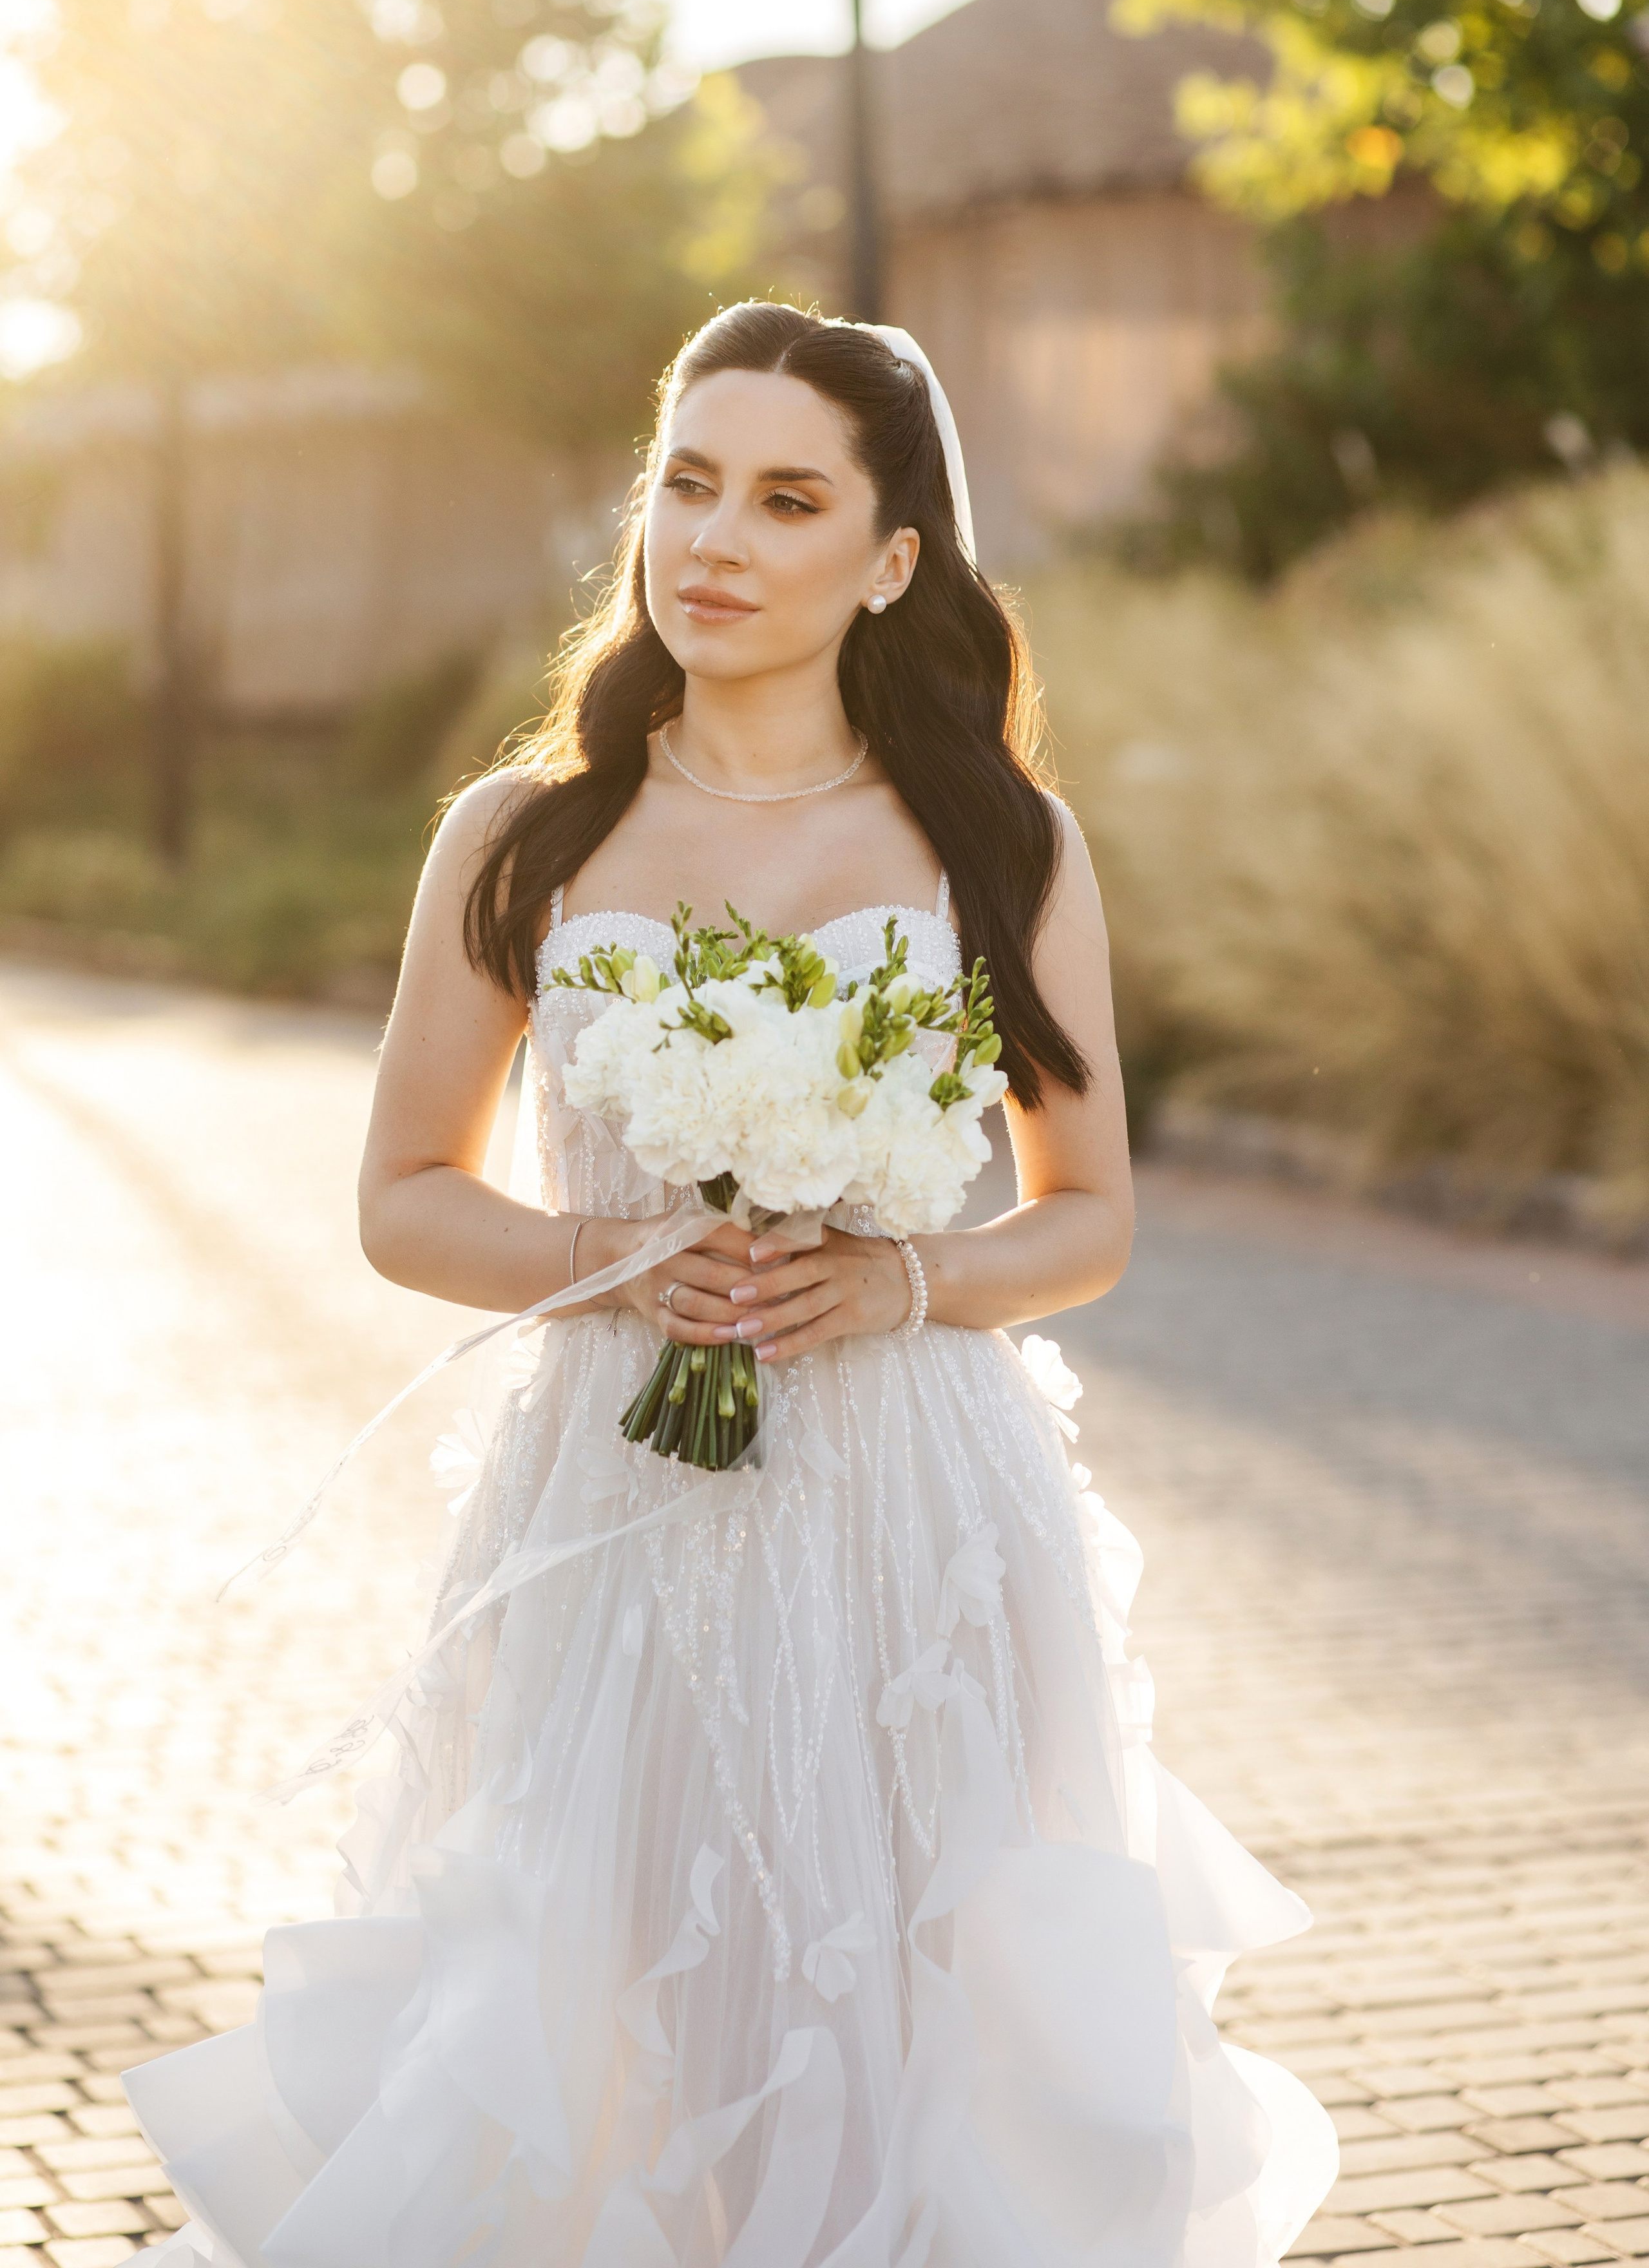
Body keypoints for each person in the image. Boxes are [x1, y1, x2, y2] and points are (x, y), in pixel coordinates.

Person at [125, 304, 1337, 2265]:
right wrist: (608, 1259)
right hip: (619, 1513)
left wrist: (907, 1278)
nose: (716, 539)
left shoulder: (1000, 844)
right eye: (688, 483)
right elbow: (404, 1199)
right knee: (623, 2026)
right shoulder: (522, 839)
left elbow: (1089, 1214)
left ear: (890, 561)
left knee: (933, 2029)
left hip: (924, 1528)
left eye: (786, 499)